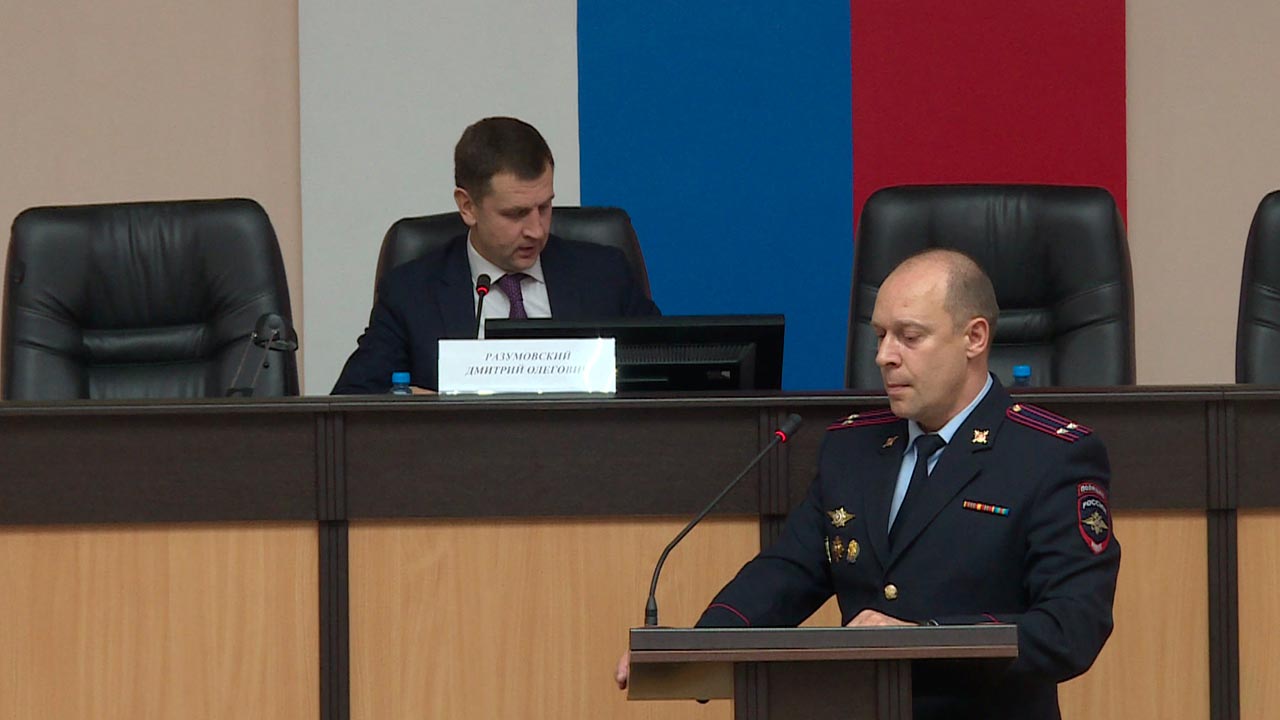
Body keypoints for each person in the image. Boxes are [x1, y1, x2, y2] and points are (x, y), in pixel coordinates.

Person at [616, 249, 1119, 719]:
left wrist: (924, 640)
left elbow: (1071, 627)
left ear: (975, 338)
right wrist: (694, 647)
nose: (884, 356)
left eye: (909, 336)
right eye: (880, 335)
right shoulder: (852, 448)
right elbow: (786, 573)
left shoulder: (1048, 456)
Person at [332, 116, 660, 394]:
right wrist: (418, 406)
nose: (537, 230)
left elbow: (667, 375)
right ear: (468, 207)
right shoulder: (412, 292)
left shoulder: (604, 275)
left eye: (545, 207)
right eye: (516, 213)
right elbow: (352, 400)